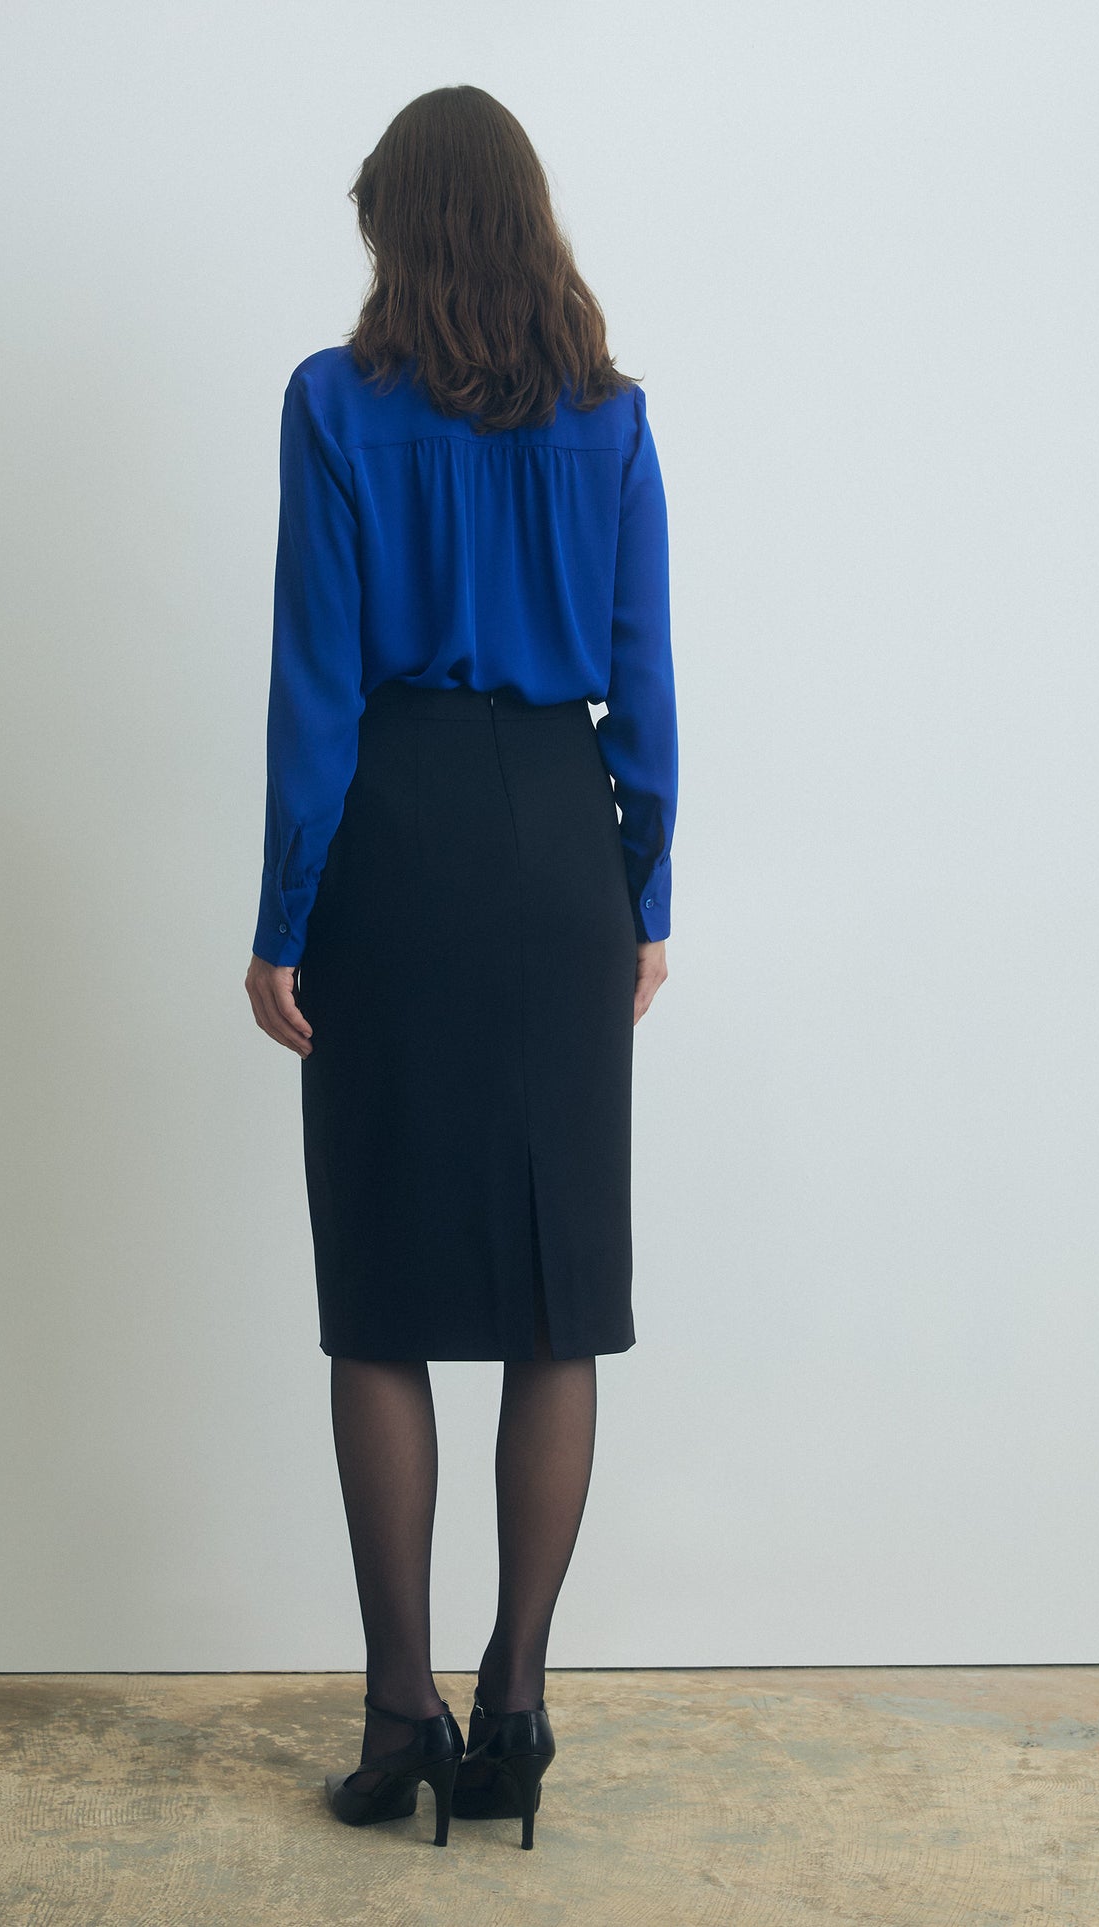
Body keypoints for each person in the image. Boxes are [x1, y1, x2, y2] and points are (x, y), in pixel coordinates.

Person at [243, 84, 677, 1851]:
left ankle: (397, 1713)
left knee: (386, 1301)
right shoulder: (612, 418)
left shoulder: (335, 405)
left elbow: (316, 685)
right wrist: (640, 886)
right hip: (559, 841)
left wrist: (285, 915)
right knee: (553, 1293)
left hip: (399, 845)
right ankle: (516, 1712)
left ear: (395, 235)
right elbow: (644, 679)